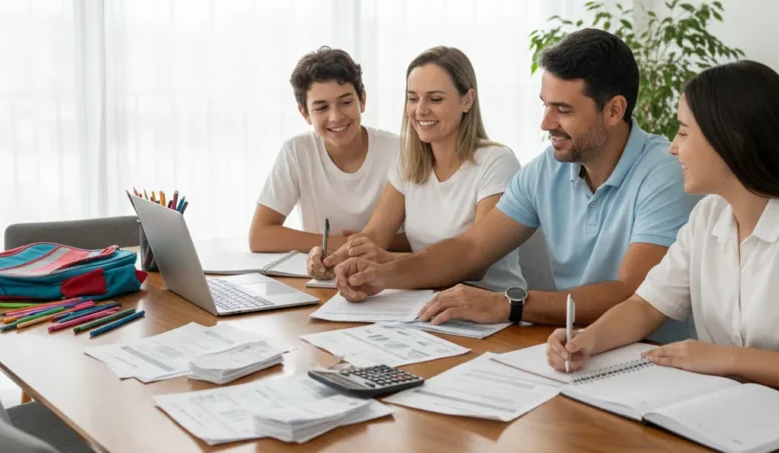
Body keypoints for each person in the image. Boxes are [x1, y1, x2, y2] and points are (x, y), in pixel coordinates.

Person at [546, 60, 779, 406]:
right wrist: (587, 340)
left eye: (684, 132)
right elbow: (645, 306)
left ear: (733, 140)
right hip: (729, 413)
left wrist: (728, 359)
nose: (673, 146)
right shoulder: (709, 215)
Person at [331, 29, 699, 336]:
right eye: (545, 105)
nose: (546, 123)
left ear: (614, 110)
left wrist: (509, 304)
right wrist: (384, 275)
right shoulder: (547, 170)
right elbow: (471, 248)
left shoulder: (664, 172)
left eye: (563, 110)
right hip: (575, 346)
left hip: (653, 358)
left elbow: (631, 294)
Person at [308, 46, 525, 292]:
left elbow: (475, 265)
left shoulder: (496, 163)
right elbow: (374, 236)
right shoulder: (409, 162)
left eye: (435, 99)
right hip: (423, 299)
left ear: (467, 100)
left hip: (487, 305)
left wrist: (387, 261)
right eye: (413, 98)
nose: (420, 110)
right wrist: (333, 259)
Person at [249, 47, 402, 254]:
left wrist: (358, 245)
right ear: (305, 113)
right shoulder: (297, 151)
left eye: (346, 102)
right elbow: (259, 236)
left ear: (362, 100)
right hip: (323, 268)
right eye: (321, 108)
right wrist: (348, 245)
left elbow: (422, 238)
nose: (336, 117)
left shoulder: (398, 151)